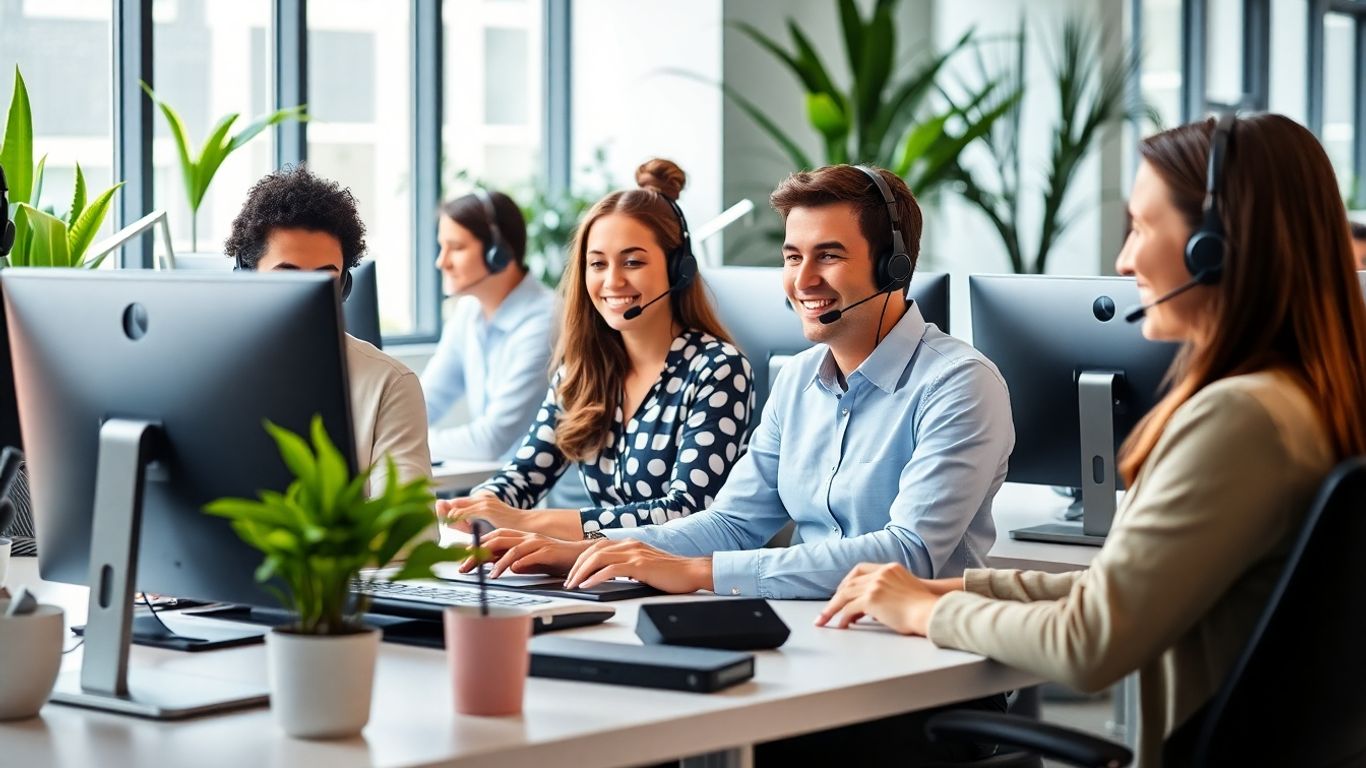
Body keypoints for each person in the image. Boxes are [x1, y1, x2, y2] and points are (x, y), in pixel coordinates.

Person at [818, 115, 1366, 767]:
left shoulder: (1240, 419)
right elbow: (1117, 593)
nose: (1123, 259)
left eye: (1140, 226)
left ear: (1213, 248)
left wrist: (923, 616)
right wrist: (957, 591)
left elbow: (1091, 642)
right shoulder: (1305, 402)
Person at [471, 164, 1014, 602]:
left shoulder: (959, 385)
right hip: (813, 634)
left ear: (893, 267)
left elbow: (908, 552)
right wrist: (592, 547)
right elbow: (732, 523)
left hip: (919, 663)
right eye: (793, 256)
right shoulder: (798, 380)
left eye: (828, 255)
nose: (802, 282)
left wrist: (700, 572)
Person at [435, 159, 754, 541]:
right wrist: (480, 505)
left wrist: (530, 522)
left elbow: (685, 511)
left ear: (678, 268)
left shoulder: (717, 370)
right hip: (603, 574)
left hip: (690, 586)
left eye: (633, 262)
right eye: (597, 264)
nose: (612, 281)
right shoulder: (582, 370)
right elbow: (524, 475)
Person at [225, 165, 431, 494]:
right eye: (287, 274)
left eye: (325, 278)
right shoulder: (200, 373)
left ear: (345, 286)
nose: (308, 294)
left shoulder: (388, 385)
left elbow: (408, 532)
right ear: (247, 276)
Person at [422, 188, 557, 463]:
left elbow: (491, 440)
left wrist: (401, 443)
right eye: (441, 247)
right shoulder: (468, 312)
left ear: (500, 253)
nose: (441, 262)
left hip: (547, 498)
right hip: (494, 486)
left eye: (456, 248)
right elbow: (424, 403)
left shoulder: (546, 320)